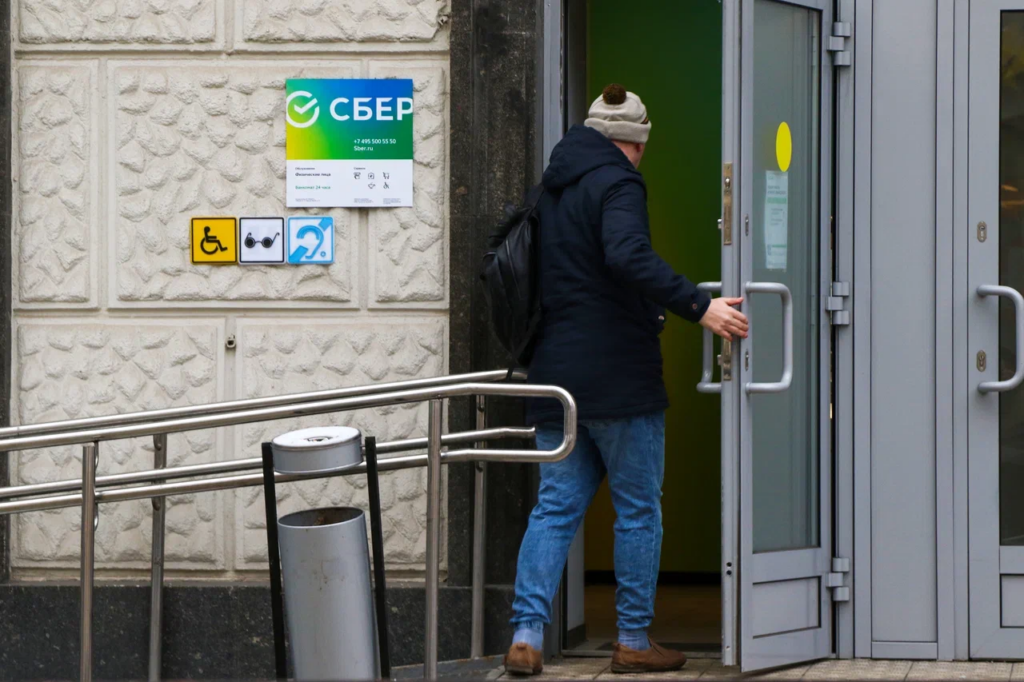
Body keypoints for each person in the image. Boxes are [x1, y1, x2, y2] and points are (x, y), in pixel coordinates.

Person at [503, 84, 748, 676]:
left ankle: (526, 635)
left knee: (555, 507)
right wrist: (701, 306)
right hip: (618, 375)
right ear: (634, 142)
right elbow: (627, 254)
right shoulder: (619, 182)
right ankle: (633, 640)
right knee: (638, 510)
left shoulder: (550, 188)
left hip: (556, 375)